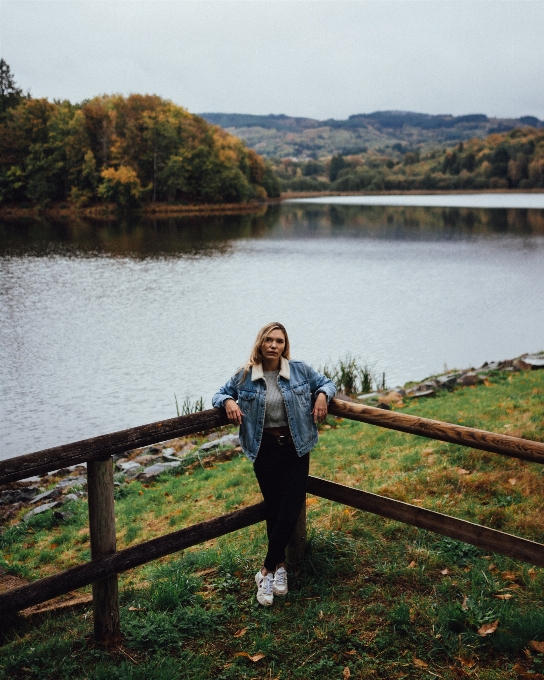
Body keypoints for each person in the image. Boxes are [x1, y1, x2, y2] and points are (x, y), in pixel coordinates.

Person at [212, 322, 336, 606]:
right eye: (269, 340)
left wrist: (320, 395)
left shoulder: (299, 370)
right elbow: (218, 394)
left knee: (291, 507)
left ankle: (266, 570)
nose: (274, 345)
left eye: (279, 341)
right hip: (263, 449)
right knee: (275, 507)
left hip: (296, 447)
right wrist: (229, 401)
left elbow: (328, 383)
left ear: (285, 345)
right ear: (260, 343)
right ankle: (280, 568)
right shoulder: (245, 375)